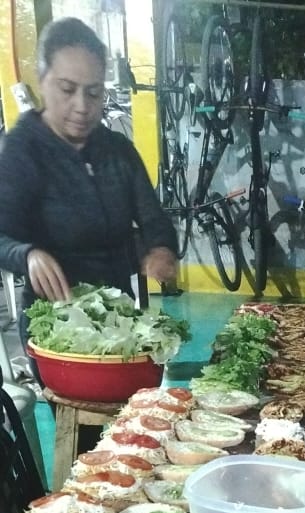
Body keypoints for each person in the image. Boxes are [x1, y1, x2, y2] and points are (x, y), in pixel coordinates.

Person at [0, 17, 177, 341]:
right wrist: (27, 254)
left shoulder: (117, 150)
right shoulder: (23, 149)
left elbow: (154, 219)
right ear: (42, 81)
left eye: (94, 93)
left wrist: (161, 248)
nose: (82, 106)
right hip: (54, 328)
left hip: (118, 321)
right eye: (67, 90)